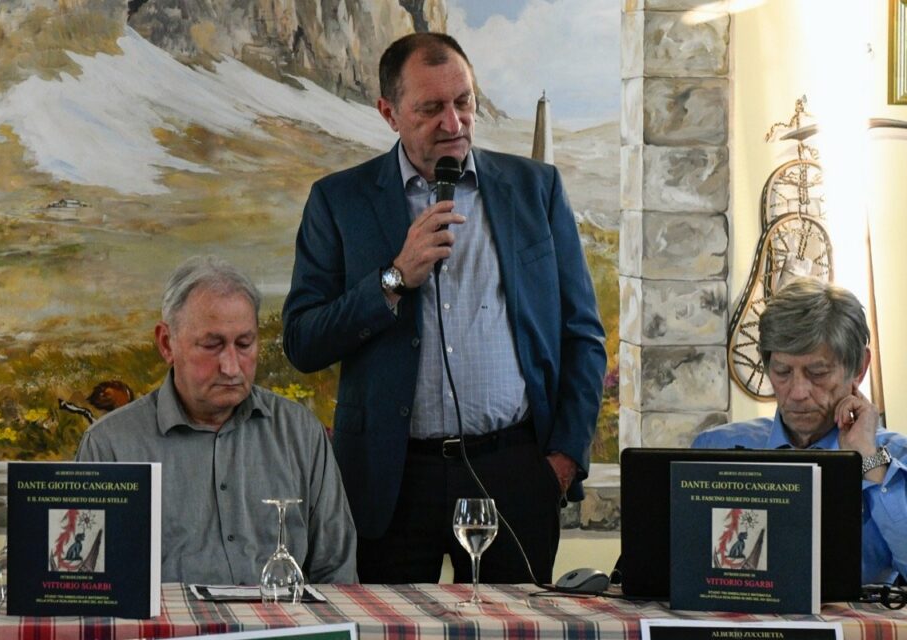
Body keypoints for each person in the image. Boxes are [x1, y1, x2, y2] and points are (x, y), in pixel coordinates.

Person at [282, 32, 606, 584]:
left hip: (514, 472)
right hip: (392, 480)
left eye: (463, 103)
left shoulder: (537, 190)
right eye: (431, 109)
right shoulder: (338, 201)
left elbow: (582, 335)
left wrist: (562, 462)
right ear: (389, 113)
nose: (453, 124)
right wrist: (393, 278)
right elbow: (303, 341)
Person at [76, 256, 358, 584]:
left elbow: (337, 572)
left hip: (278, 630)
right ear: (167, 344)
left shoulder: (301, 433)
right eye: (212, 345)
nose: (231, 366)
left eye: (244, 344)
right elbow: (85, 583)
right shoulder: (108, 446)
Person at [694, 278, 907, 584]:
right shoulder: (715, 448)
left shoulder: (895, 458)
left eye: (817, 373)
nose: (797, 392)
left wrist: (868, 458)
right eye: (782, 372)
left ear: (858, 368)